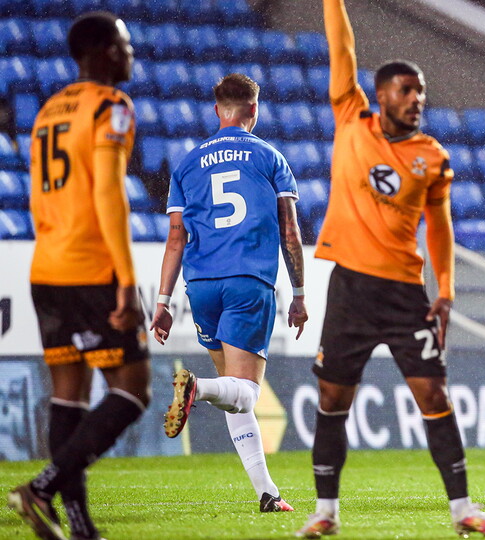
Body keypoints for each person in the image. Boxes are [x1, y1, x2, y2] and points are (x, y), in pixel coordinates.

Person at [297, 1, 485, 537]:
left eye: (421, 92)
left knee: (434, 396)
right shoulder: (352, 115)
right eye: (407, 90)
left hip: (405, 295)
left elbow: (439, 226)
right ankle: (325, 513)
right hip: (348, 289)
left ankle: (464, 511)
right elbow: (341, 48)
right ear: (383, 93)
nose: (418, 99)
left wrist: (447, 289)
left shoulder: (431, 155)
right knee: (331, 399)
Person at [7, 12, 150, 540]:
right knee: (133, 389)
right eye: (125, 44)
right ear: (105, 51)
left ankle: (82, 526)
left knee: (69, 392)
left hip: (46, 266)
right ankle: (41, 489)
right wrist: (126, 281)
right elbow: (109, 194)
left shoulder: (48, 110)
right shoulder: (111, 107)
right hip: (90, 266)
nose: (131, 53)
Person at [150, 73, 308, 513]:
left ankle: (267, 493)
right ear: (254, 110)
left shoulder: (186, 164)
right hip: (248, 281)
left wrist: (162, 304)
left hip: (200, 286)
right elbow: (290, 232)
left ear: (217, 110)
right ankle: (196, 388)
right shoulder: (269, 157)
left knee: (235, 395)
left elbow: (176, 239)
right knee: (245, 392)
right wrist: (298, 291)